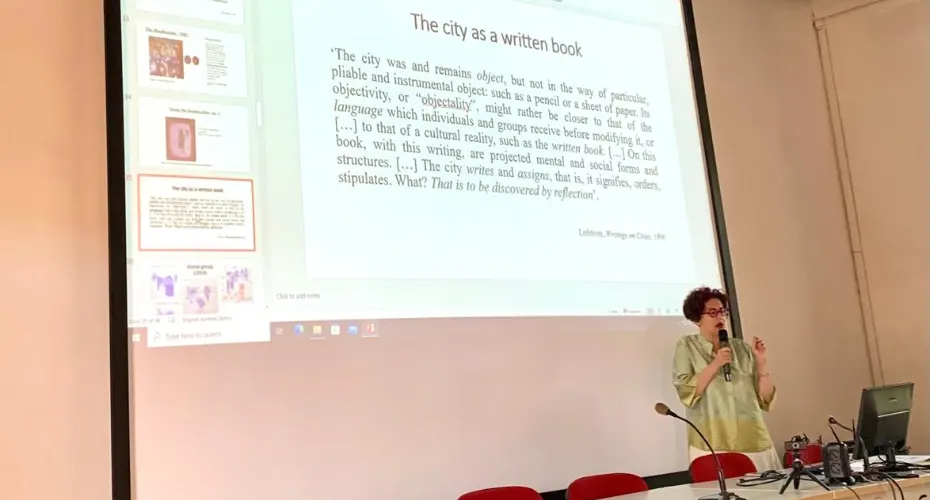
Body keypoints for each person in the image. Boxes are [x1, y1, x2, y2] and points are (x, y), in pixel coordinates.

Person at [672, 287, 780, 472]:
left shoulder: (742, 348)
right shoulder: (687, 346)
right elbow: (686, 391)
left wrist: (761, 364)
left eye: (722, 311)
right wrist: (716, 363)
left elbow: (765, 399)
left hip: (752, 439)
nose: (720, 317)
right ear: (697, 318)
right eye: (712, 312)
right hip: (712, 441)